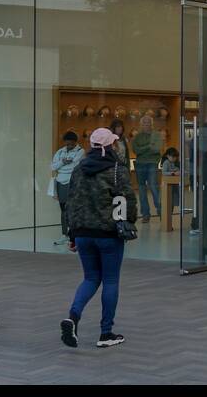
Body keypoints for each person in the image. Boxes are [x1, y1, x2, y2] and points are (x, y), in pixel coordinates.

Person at [60, 127, 136, 349]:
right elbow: (128, 200)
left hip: (83, 233)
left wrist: (72, 234)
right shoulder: (116, 170)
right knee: (110, 280)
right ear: (110, 145)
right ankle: (106, 333)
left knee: (90, 278)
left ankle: (72, 318)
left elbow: (70, 203)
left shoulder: (78, 169)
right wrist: (129, 223)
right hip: (108, 233)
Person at [50, 130, 84, 241]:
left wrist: (61, 165)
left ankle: (73, 233)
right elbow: (53, 167)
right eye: (67, 144)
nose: (69, 146)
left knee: (73, 208)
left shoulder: (80, 151)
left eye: (71, 144)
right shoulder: (60, 152)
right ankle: (64, 234)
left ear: (75, 142)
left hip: (73, 182)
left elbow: (75, 166)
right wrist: (63, 162)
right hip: (61, 183)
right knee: (63, 209)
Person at [131, 113, 163, 219]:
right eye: (144, 122)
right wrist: (149, 146)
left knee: (153, 186)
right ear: (141, 124)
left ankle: (160, 210)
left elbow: (157, 149)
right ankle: (145, 214)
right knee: (141, 189)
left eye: (148, 122)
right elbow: (136, 150)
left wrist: (143, 149)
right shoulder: (137, 137)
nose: (146, 124)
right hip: (139, 164)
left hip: (152, 163)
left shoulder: (156, 135)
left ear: (151, 124)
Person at [159, 146, 181, 213]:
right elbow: (164, 172)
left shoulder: (174, 162)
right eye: (173, 157)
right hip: (167, 185)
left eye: (176, 157)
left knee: (173, 201)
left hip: (173, 185)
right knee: (167, 201)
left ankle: (171, 213)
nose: (174, 158)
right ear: (168, 156)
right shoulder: (166, 162)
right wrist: (173, 173)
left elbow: (176, 169)